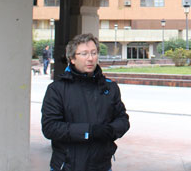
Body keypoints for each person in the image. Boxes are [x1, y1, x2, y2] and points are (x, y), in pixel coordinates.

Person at [42, 33, 129, 171]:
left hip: (102, 165)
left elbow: (123, 120)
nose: (90, 58)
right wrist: (88, 131)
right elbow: (50, 128)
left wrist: (110, 130)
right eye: (84, 54)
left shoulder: (109, 88)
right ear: (72, 59)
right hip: (67, 165)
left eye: (94, 53)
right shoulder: (57, 89)